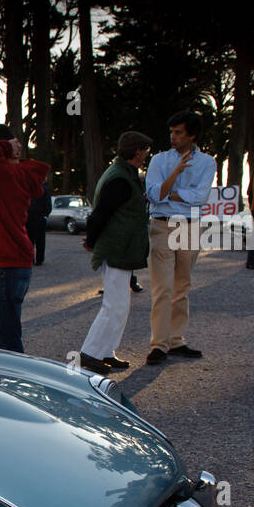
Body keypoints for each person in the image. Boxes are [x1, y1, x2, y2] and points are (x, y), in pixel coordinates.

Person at [77, 132, 154, 375]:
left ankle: (105, 351)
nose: (146, 155)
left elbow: (101, 212)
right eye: (146, 151)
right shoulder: (120, 178)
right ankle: (90, 353)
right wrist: (91, 240)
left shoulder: (121, 174)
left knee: (120, 304)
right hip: (117, 247)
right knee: (114, 305)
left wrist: (92, 239)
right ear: (138, 151)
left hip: (120, 247)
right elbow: (101, 213)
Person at [144, 110, 216, 364]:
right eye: (171, 132)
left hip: (188, 226)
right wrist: (175, 174)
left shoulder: (207, 162)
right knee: (162, 287)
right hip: (162, 226)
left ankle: (176, 340)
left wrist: (172, 193)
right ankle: (158, 345)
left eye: (178, 132)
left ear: (192, 135)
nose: (172, 137)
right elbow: (153, 195)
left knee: (182, 286)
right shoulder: (159, 161)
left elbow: (201, 198)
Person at [0, 123, 50, 353]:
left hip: (8, 264)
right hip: (15, 262)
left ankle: (12, 382)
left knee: (5, 337)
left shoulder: (7, 177)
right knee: (5, 329)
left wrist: (7, 145)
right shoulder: (20, 174)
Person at [27, 176, 49, 265]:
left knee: (30, 240)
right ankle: (39, 259)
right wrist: (45, 215)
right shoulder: (44, 190)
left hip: (32, 217)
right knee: (40, 240)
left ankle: (31, 258)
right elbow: (48, 205)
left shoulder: (30, 189)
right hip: (38, 217)